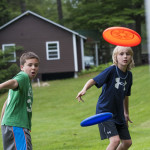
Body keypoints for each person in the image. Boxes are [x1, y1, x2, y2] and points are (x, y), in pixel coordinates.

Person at [76, 46, 134, 150]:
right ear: (115, 57)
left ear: (131, 57)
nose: (125, 56)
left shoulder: (129, 75)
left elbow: (126, 95)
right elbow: (93, 80)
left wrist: (126, 113)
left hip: (119, 114)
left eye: (127, 54)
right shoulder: (111, 70)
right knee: (115, 141)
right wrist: (84, 89)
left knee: (127, 142)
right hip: (105, 112)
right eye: (121, 54)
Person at [0, 52, 40, 150]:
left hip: (10, 125)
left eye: (36, 65)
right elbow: (13, 82)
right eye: (30, 65)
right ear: (22, 67)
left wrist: (2, 121)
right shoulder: (23, 77)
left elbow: (7, 102)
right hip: (17, 125)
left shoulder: (26, 83)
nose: (33, 68)